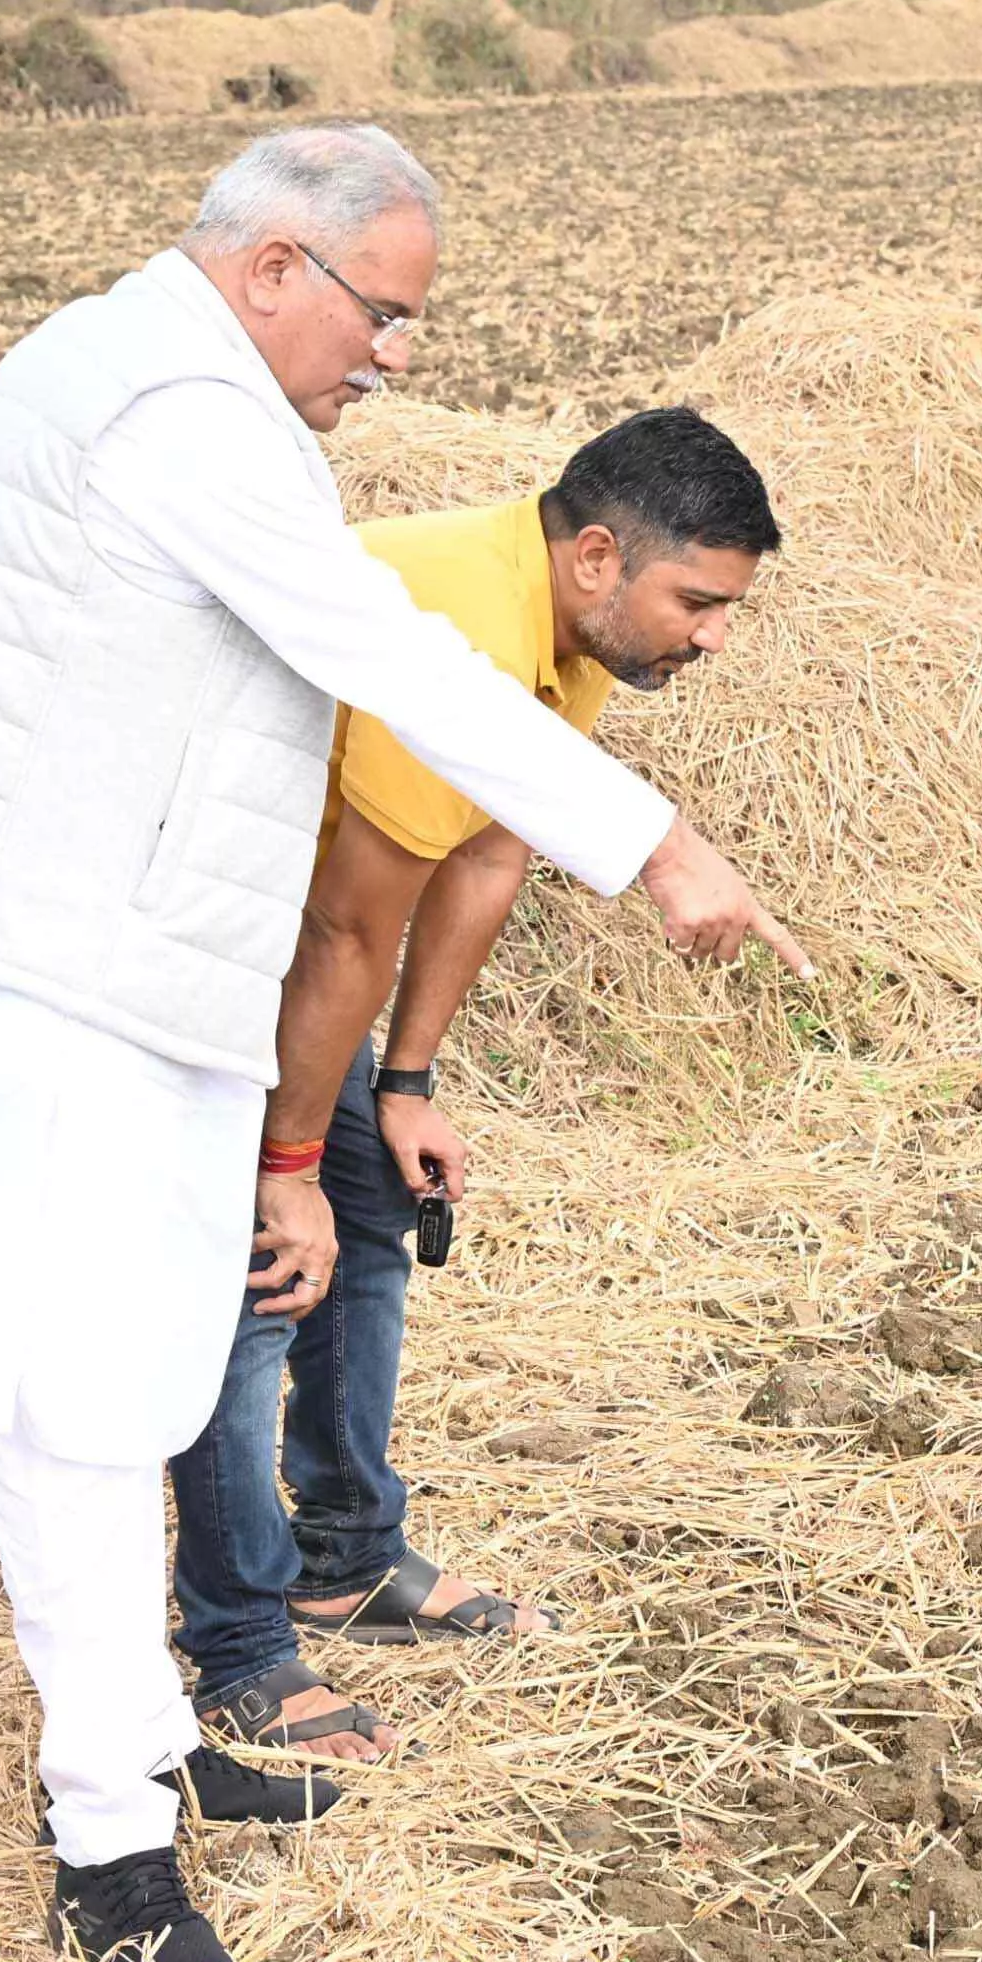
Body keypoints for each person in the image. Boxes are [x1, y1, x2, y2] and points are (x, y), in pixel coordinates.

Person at [0, 124, 809, 1962]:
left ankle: (163, 1744)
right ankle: (110, 1848)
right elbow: (374, 645)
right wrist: (651, 841)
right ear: (273, 268)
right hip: (28, 968)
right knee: (72, 1403)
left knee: (158, 1362)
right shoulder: (164, 405)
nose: (397, 355)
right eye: (383, 312)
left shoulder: (191, 395)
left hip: (127, 963)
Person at [168, 407, 779, 1760]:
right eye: (701, 601)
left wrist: (406, 1081)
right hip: (194, 929)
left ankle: (347, 1554)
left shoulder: (573, 634)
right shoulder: (454, 612)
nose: (714, 636)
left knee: (372, 1204)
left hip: (298, 935)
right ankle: (240, 1642)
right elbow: (344, 926)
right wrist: (282, 1170)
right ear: (600, 555)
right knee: (264, 1275)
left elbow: (491, 852)